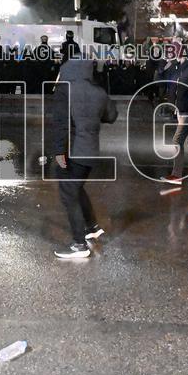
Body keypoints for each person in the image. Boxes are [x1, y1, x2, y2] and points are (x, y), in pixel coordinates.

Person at [50, 55, 118, 259]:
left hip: (72, 151)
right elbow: (111, 116)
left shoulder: (65, 90)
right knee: (76, 187)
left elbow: (61, 126)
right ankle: (92, 227)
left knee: (68, 193)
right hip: (91, 152)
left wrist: (59, 154)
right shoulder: (99, 92)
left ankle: (79, 244)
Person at [161, 44, 188, 185]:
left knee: (177, 140)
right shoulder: (178, 67)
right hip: (181, 109)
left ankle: (176, 175)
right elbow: (166, 80)